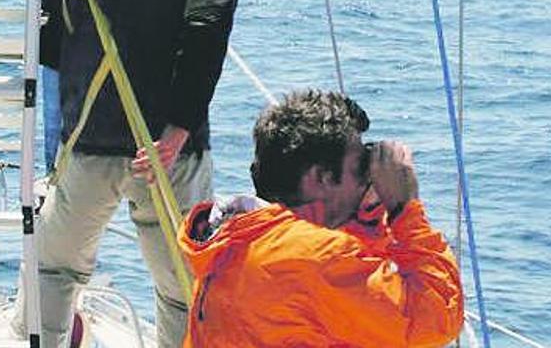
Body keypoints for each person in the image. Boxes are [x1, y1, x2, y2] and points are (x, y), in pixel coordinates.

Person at [14, 0, 240, 346]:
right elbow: (206, 32)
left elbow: (47, 41)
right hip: (169, 152)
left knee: (53, 271)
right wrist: (178, 128)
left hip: (89, 140)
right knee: (184, 288)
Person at [178, 90, 464, 347]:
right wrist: (404, 209)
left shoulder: (240, 234)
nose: (365, 176)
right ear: (321, 177)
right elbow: (436, 318)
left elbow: (347, 286)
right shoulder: (312, 257)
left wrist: (368, 214)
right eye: (357, 167)